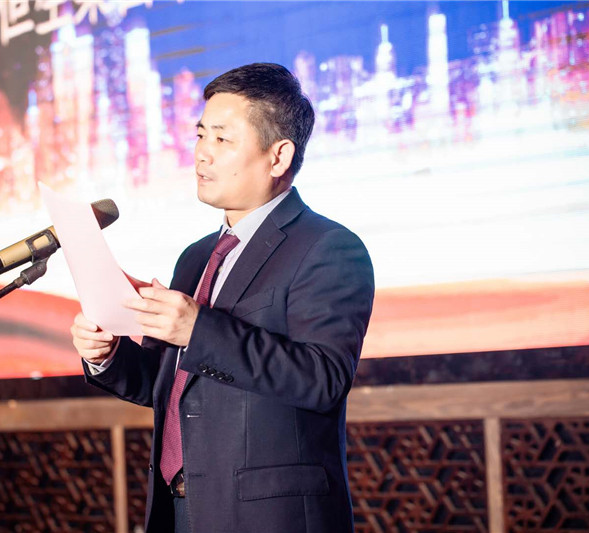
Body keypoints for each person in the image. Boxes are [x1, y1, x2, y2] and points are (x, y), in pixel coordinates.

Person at [71, 63, 374, 533]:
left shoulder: (327, 247)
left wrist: (198, 329)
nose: (201, 154)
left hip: (267, 517)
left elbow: (323, 378)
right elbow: (169, 386)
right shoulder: (196, 257)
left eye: (222, 139)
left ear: (278, 157)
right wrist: (107, 355)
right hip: (179, 510)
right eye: (200, 135)